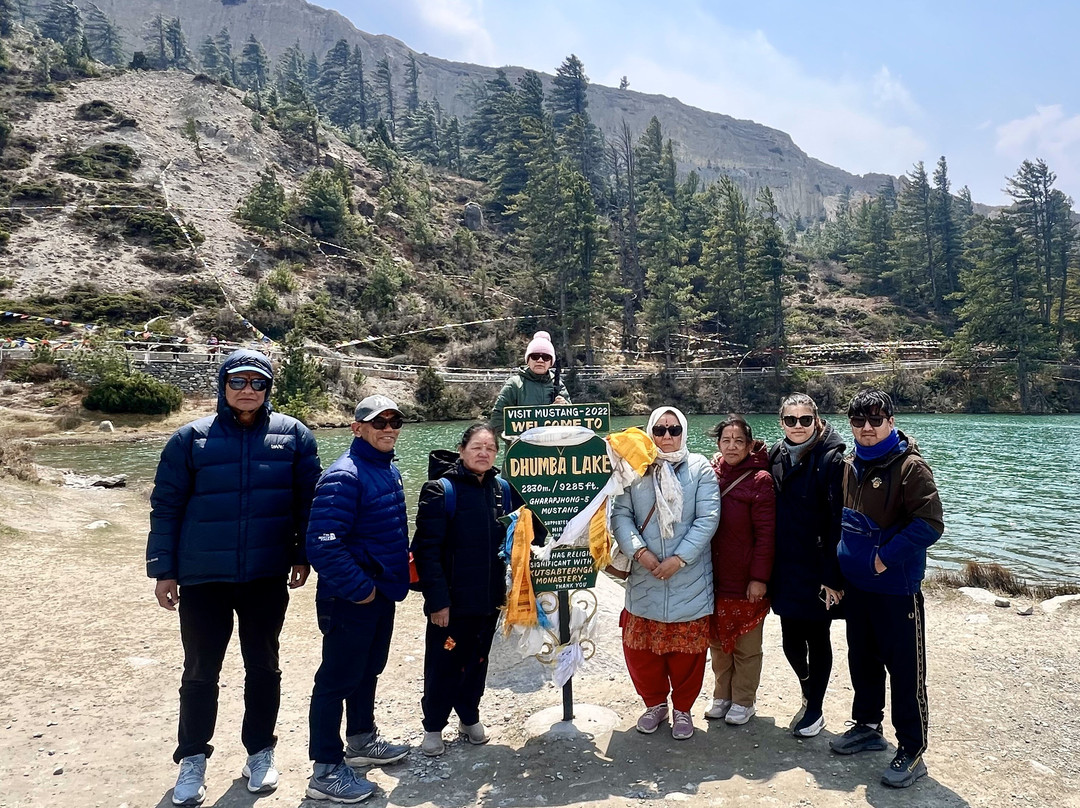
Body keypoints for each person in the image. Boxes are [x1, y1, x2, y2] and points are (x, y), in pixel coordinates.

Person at [146, 349, 321, 806]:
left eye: (257, 382)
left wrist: (302, 554)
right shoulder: (190, 439)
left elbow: (308, 503)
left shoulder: (295, 436)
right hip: (203, 576)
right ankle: (192, 759)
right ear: (223, 386)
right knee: (201, 671)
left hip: (266, 573)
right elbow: (166, 505)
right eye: (238, 381)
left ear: (268, 389)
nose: (248, 390)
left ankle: (259, 752)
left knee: (264, 666)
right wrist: (163, 569)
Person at [829, 389, 944, 789]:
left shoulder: (911, 467)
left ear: (890, 422)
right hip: (857, 587)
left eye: (875, 420)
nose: (867, 429)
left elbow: (929, 524)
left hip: (897, 587)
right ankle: (867, 726)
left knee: (906, 671)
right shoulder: (848, 465)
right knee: (862, 658)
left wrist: (883, 558)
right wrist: (842, 572)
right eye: (859, 421)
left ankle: (912, 750)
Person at [304, 395, 412, 803]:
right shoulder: (343, 476)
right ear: (357, 428)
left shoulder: (386, 470)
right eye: (378, 422)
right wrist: (361, 589)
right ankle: (325, 769)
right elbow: (323, 544)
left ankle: (362, 740)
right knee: (335, 680)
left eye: (394, 421)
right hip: (351, 599)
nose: (387, 428)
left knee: (368, 670)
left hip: (380, 594)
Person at [611, 406, 720, 741]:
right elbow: (621, 514)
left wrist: (680, 559)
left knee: (688, 653)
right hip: (645, 576)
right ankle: (655, 704)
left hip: (689, 576)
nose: (667, 437)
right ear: (650, 432)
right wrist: (639, 552)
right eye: (659, 430)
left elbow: (708, 518)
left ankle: (683, 708)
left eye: (674, 430)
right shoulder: (635, 467)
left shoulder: (700, 467)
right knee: (642, 652)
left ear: (684, 432)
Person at [411, 423, 513, 757]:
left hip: (489, 602)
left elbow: (529, 531)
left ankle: (469, 716)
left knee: (478, 661)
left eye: (490, 448)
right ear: (462, 449)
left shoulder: (501, 490)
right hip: (451, 606)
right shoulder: (440, 491)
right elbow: (426, 551)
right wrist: (437, 602)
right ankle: (433, 725)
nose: (484, 453)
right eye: (477, 447)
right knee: (445, 662)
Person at [768, 393, 846, 738]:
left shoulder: (833, 460)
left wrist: (833, 575)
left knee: (818, 637)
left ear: (817, 420)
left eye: (804, 420)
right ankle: (807, 688)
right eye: (790, 420)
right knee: (789, 641)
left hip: (817, 567)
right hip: (785, 564)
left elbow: (838, 523)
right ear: (781, 422)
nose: (797, 426)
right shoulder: (776, 455)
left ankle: (815, 708)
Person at [704, 416, 775, 727]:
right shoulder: (710, 474)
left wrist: (759, 578)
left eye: (738, 441)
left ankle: (744, 700)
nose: (732, 446)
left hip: (746, 579)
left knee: (746, 646)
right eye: (726, 440)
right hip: (713, 576)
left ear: (749, 445)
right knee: (718, 643)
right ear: (718, 444)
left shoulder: (760, 479)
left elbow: (766, 534)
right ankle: (722, 695)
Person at [489, 330, 571, 438]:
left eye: (546, 357)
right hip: (521, 452)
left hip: (552, 451)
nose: (540, 360)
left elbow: (572, 420)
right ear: (528, 360)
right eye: (535, 356)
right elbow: (497, 419)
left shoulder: (558, 385)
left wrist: (565, 408)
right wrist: (513, 440)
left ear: (551, 362)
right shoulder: (514, 385)